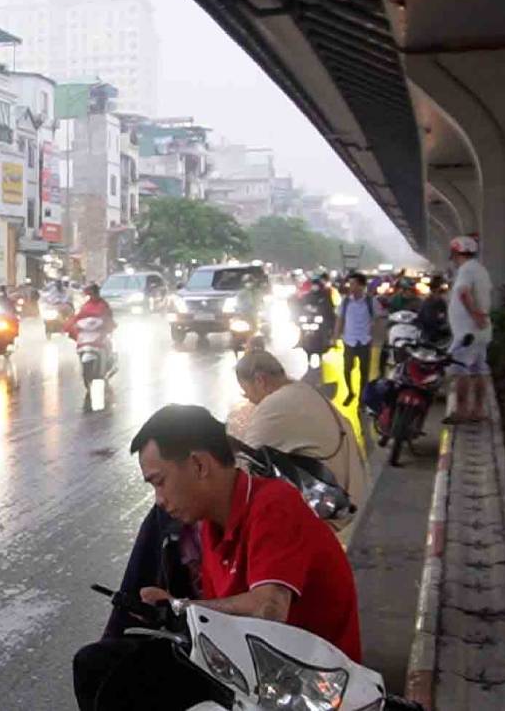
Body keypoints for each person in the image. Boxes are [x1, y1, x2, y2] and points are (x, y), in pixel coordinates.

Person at [73, 405, 361, 711]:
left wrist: (180, 607)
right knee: (97, 664)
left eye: (160, 482)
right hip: (256, 670)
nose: (159, 499)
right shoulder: (209, 527)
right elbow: (220, 623)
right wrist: (167, 614)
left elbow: (269, 609)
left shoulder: (274, 504)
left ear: (198, 465)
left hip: (309, 683)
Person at [234, 350, 368, 514]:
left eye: (247, 393)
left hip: (333, 507)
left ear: (260, 380)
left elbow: (244, 466)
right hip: (353, 491)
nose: (251, 401)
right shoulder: (304, 390)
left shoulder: (274, 405)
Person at [444, 236, 493, 423]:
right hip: (481, 332)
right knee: (479, 369)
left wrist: (475, 315)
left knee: (459, 370)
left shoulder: (465, 270)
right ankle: (479, 410)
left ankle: (462, 410)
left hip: (467, 333)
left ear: (456, 253)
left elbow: (464, 293)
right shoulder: (481, 270)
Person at [333, 272, 380, 407]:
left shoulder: (371, 302)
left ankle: (361, 399)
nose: (351, 287)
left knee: (364, 372)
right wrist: (335, 337)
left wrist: (375, 335)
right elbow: (340, 320)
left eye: (354, 284)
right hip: (349, 340)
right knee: (347, 369)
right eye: (350, 284)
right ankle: (350, 392)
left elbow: (378, 319)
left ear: (361, 286)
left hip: (365, 341)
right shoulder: (346, 302)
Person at [417, 275, 450, 346]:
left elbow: (444, 316)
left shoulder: (441, 302)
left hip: (439, 333)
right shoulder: (427, 302)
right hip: (428, 333)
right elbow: (422, 317)